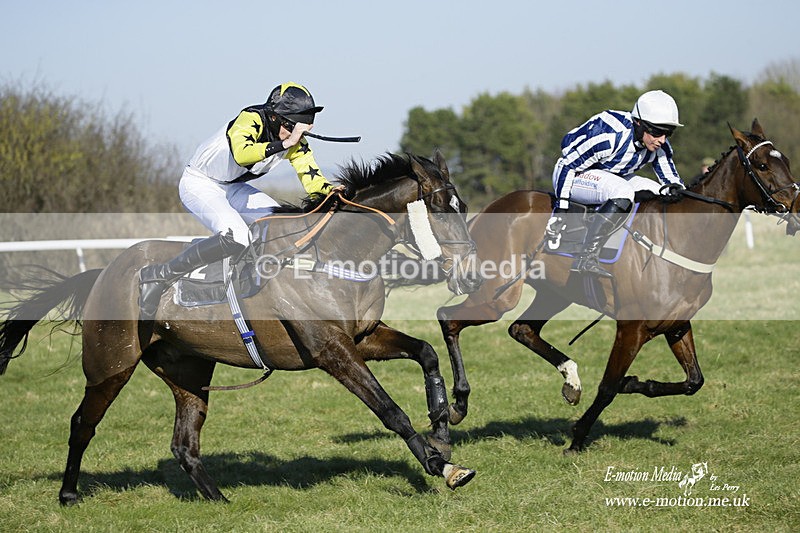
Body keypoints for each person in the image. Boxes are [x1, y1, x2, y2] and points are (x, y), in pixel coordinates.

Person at [138, 82, 338, 320]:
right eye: (293, 126)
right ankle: (160, 275)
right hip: (199, 183)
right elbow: (242, 154)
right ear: (275, 118)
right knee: (238, 236)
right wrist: (284, 144)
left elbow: (312, 179)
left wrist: (332, 193)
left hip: (232, 187)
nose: (298, 135)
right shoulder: (250, 118)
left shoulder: (295, 141)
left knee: (278, 225)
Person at [551, 89, 685, 277]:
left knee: (661, 191)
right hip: (574, 175)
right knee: (622, 191)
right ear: (639, 124)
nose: (662, 140)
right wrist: (561, 210)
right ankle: (585, 257)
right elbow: (566, 166)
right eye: (657, 132)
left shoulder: (659, 145)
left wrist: (678, 192)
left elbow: (672, 182)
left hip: (611, 175)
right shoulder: (611, 139)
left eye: (668, 133)